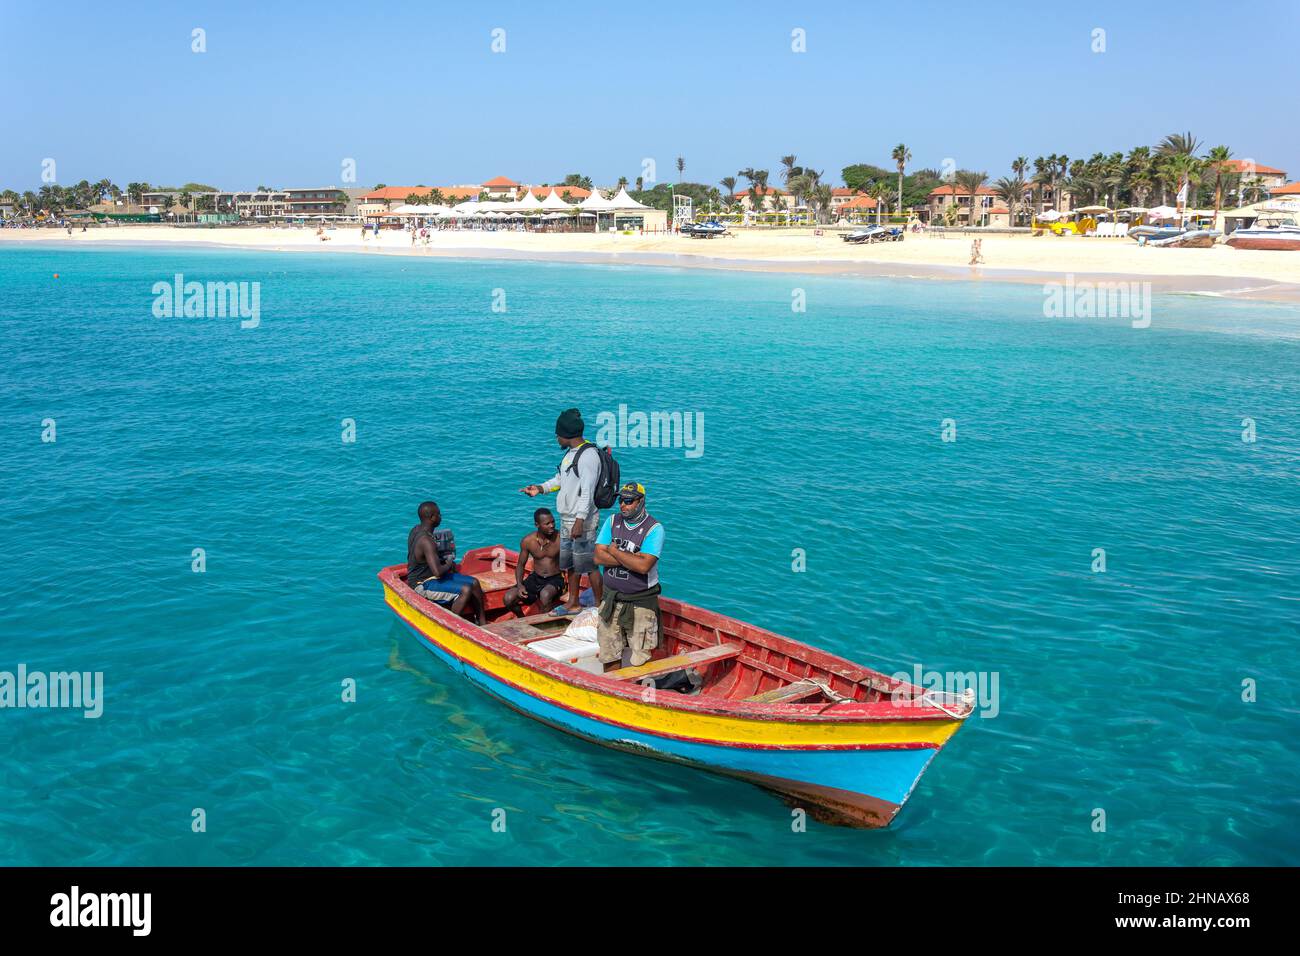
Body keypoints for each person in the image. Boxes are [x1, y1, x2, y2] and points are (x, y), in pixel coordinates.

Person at [520, 408, 603, 614]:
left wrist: (580, 520)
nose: (556, 438)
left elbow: (588, 490)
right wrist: (540, 488)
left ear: (566, 434)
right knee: (572, 564)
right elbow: (560, 480)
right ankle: (573, 602)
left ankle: (601, 606)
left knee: (589, 563)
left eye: (558, 434)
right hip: (567, 518)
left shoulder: (588, 456)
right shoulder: (570, 455)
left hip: (581, 520)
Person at [592, 482, 664, 671]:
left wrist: (614, 552)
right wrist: (631, 558)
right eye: (621, 500)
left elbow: (643, 566)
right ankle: (610, 692)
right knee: (609, 654)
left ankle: (638, 694)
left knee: (640, 658)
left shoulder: (654, 529)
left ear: (641, 501)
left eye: (629, 501)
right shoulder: (612, 521)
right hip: (611, 601)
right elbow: (598, 556)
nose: (623, 505)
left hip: (641, 603)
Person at [405, 501, 485, 624]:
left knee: (474, 583)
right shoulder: (427, 541)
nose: (440, 517)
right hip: (422, 583)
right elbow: (437, 572)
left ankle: (482, 622)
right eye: (439, 514)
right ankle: (451, 624)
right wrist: (448, 562)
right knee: (466, 590)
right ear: (432, 517)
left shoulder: (416, 529)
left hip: (430, 575)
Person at [503, 508, 564, 616]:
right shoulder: (528, 541)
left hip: (555, 578)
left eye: (553, 521)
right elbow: (521, 565)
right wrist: (520, 585)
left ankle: (544, 624)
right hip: (536, 578)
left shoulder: (561, 538)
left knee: (545, 595)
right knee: (508, 598)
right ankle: (522, 618)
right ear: (537, 525)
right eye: (547, 523)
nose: (552, 525)